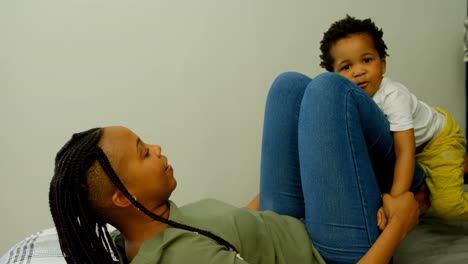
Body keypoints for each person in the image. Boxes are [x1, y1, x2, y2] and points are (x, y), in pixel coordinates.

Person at [49, 72, 424, 264]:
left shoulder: (138, 231)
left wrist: (309, 170)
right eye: (143, 152)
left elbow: (228, 230)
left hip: (287, 225)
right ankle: (417, 183)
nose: (157, 148)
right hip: (327, 254)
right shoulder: (182, 259)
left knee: (289, 87)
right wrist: (400, 224)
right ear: (123, 196)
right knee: (329, 92)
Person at [318, 15, 468, 220]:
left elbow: (404, 151)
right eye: (346, 67)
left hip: (436, 142)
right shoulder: (347, 103)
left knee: (449, 207)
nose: (358, 71)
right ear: (334, 78)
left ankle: (449, 173)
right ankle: (427, 187)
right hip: (410, 143)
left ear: (383, 64)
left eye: (366, 60)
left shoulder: (393, 97)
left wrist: (396, 200)